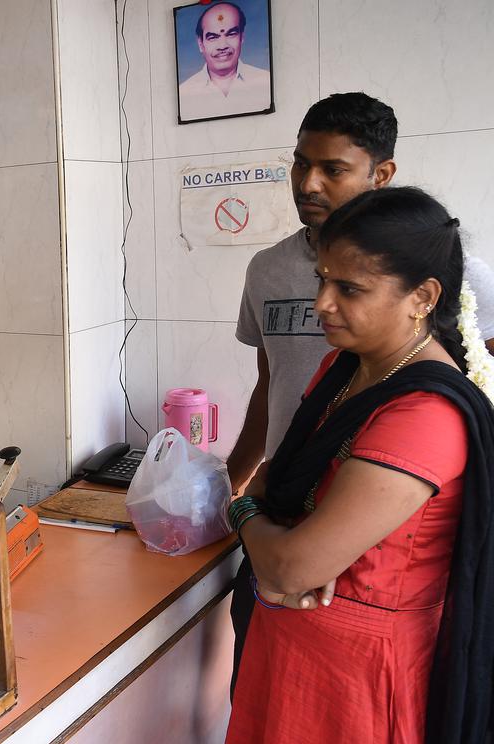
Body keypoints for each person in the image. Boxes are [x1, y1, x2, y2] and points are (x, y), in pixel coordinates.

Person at [227, 91, 494, 690]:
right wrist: (248, 489)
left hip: (372, 595)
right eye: (300, 163)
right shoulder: (336, 358)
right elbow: (270, 386)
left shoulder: (450, 275)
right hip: (292, 522)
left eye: (333, 168)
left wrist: (274, 533)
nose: (309, 182)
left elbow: (475, 393)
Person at [177, 2, 271, 120]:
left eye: (231, 34)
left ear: (242, 37)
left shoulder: (265, 79)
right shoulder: (184, 92)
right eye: (213, 37)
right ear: (200, 44)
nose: (222, 46)